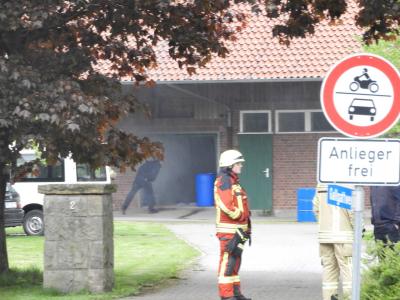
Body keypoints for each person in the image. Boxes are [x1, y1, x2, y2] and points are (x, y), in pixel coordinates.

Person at [214, 149, 252, 300]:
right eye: (238, 163)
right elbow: (226, 205)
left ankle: (236, 293)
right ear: (230, 165)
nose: (241, 166)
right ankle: (226, 295)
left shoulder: (233, 181)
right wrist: (240, 216)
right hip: (229, 231)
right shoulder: (224, 181)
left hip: (239, 231)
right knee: (227, 262)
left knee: (235, 262)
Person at [313, 184, 354, 300]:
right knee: (348, 269)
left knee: (329, 269)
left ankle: (329, 297)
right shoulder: (346, 184)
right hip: (344, 237)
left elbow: (315, 208)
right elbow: (353, 212)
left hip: (324, 236)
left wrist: (324, 225)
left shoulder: (321, 185)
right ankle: (349, 297)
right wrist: (359, 229)